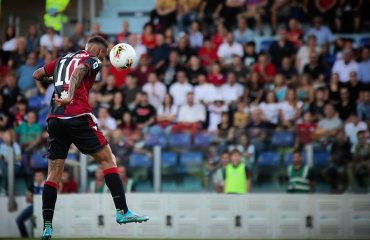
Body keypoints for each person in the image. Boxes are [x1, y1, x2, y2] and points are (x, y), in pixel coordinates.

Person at [32, 36, 149, 240]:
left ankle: (47, 226)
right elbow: (80, 71)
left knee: (54, 174)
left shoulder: (61, 60)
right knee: (108, 159)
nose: (102, 63)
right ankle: (122, 211)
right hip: (77, 115)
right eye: (103, 58)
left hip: (54, 118)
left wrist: (59, 82)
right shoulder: (92, 59)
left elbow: (37, 74)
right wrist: (69, 93)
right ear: (100, 52)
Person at [16, 171, 45, 238]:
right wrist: (33, 199)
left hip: (45, 207)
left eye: (40, 176)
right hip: (34, 206)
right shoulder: (32, 185)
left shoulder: (46, 185)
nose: (38, 178)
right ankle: (25, 237)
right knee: (19, 220)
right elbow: (28, 200)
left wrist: (34, 198)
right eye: (37, 176)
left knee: (38, 224)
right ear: (34, 177)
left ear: (43, 177)